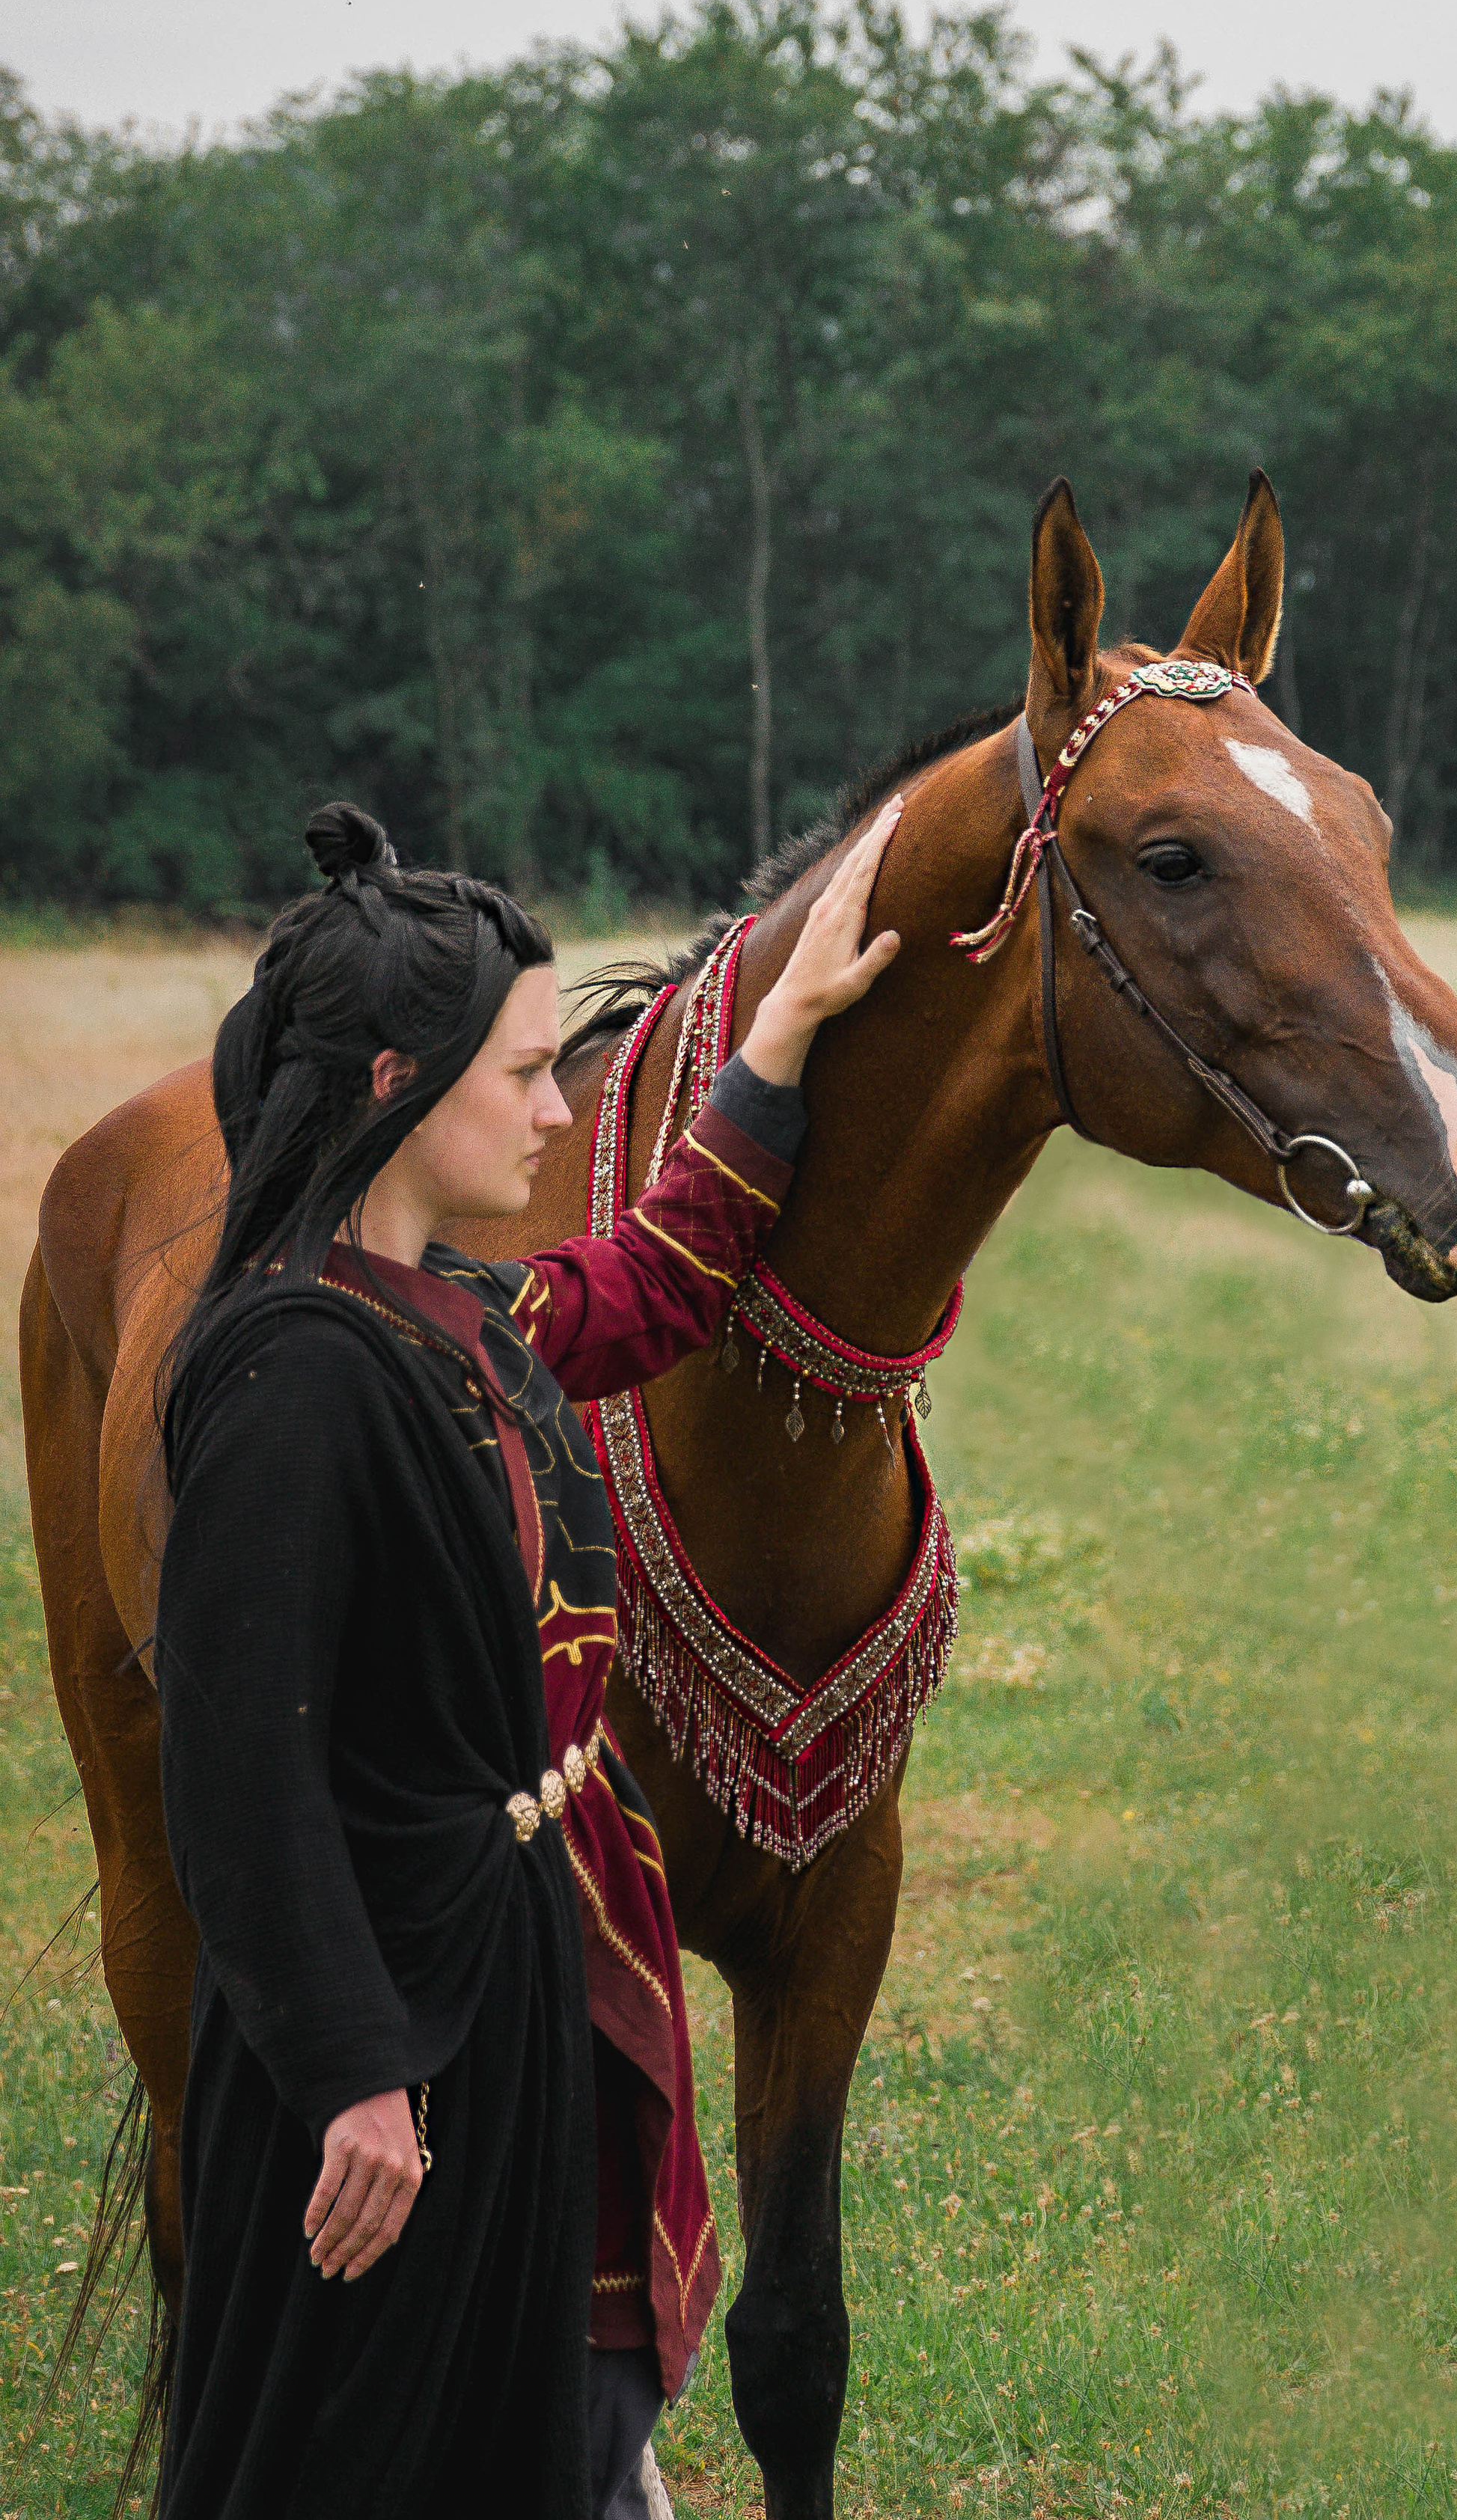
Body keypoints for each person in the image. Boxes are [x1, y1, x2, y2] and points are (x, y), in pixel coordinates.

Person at [153, 794, 902, 2520]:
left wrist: (774, 1033)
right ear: (386, 1089)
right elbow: (239, 1778)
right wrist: (347, 2063)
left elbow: (655, 1272)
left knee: (545, 2432)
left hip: (506, 1986)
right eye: (518, 1071)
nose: (559, 1108)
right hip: (392, 2025)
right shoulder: (295, 1381)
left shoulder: (454, 1318)